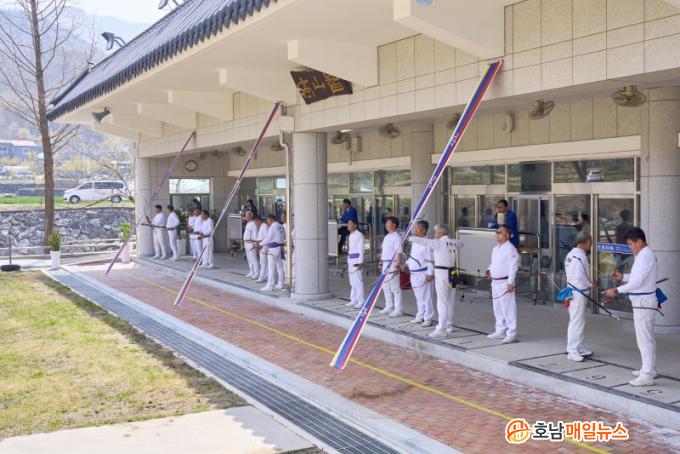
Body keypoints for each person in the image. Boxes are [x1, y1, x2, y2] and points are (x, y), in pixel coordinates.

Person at [603, 227, 660, 387]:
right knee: (647, 338)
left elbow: (637, 282)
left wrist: (616, 290)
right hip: (643, 301)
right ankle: (649, 369)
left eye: (630, 244)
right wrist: (623, 277)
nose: (630, 247)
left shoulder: (645, 256)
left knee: (644, 339)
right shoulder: (643, 255)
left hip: (644, 302)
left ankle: (647, 374)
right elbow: (637, 278)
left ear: (639, 241)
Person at [410, 224, 463, 338]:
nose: (434, 234)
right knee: (450, 301)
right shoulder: (453, 242)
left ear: (441, 233)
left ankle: (441, 328)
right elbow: (461, 243)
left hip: (442, 274)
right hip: (452, 273)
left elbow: (424, 241)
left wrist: (408, 237)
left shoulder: (438, 243)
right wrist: (451, 241)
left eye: (436, 232)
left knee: (442, 301)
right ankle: (449, 325)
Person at [485, 225, 520, 343]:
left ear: (507, 235)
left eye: (500, 232)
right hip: (495, 282)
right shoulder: (495, 248)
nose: (497, 234)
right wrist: (489, 270)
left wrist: (510, 283)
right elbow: (493, 263)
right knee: (497, 308)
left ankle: (512, 333)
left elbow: (513, 267)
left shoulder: (510, 249)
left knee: (508, 309)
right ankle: (500, 330)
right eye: (497, 232)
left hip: (505, 282)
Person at [564, 231, 594, 362]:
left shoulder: (572, 254)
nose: (591, 245)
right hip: (578, 292)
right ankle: (572, 351)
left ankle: (579, 347)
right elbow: (579, 276)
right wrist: (590, 284)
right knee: (576, 322)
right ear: (587, 242)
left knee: (578, 321)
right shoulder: (579, 256)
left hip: (575, 291)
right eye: (590, 242)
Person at [405, 220, 435, 327]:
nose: (415, 230)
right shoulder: (415, 242)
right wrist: (406, 264)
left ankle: (428, 318)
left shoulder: (427, 243)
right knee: (418, 297)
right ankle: (420, 316)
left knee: (427, 297)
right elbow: (413, 257)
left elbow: (430, 259)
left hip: (423, 273)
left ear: (423, 230)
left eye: (417, 228)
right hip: (414, 273)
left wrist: (430, 273)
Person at [378, 216, 403, 317]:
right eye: (386, 223)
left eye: (388, 223)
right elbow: (384, 251)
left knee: (395, 287)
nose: (386, 225)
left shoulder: (397, 237)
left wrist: (397, 265)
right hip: (385, 264)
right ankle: (389, 306)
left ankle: (398, 309)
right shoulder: (387, 236)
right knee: (385, 286)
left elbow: (399, 252)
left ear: (394, 225)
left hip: (393, 264)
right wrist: (381, 263)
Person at [344, 218, 365, 309]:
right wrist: (348, 261)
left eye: (350, 223)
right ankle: (354, 299)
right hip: (351, 260)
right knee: (352, 282)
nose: (348, 225)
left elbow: (361, 249)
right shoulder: (351, 235)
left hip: (356, 261)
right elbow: (350, 250)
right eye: (348, 223)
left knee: (358, 281)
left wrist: (360, 262)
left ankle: (361, 301)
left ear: (355, 225)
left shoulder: (359, 235)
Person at [261, 214, 285, 291]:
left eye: (268, 220)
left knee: (271, 268)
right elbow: (283, 237)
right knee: (280, 267)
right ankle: (281, 283)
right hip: (279, 248)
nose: (267, 222)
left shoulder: (273, 226)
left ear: (270, 219)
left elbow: (268, 238)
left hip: (273, 248)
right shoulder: (281, 226)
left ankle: (270, 285)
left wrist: (260, 244)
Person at [243, 211, 259, 278]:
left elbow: (255, 235)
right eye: (245, 216)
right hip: (246, 243)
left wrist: (254, 244)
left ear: (250, 216)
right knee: (249, 259)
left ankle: (256, 273)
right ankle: (251, 272)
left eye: (247, 216)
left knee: (253, 259)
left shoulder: (253, 224)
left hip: (251, 244)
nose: (245, 217)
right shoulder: (248, 224)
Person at [255, 215, 268, 282]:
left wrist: (260, 245)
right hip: (260, 245)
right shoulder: (261, 226)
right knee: (263, 262)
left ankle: (262, 276)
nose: (256, 224)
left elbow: (266, 238)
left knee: (263, 262)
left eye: (256, 222)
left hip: (263, 246)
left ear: (259, 220)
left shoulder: (264, 226)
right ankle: (266, 275)